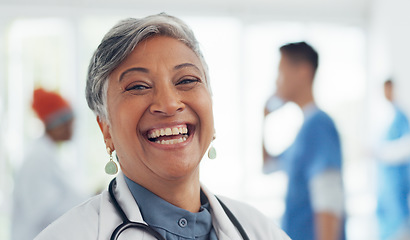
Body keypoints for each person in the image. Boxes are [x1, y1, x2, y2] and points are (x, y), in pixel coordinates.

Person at [35, 13, 290, 240]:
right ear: (106, 129)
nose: (169, 104)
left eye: (187, 80)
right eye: (138, 86)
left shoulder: (261, 231)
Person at [262, 42, 345, 240]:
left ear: (303, 71)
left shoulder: (319, 126)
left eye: (281, 72)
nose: (277, 81)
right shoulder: (304, 132)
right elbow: (267, 166)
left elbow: (328, 202)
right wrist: (263, 118)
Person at [11, 88, 85, 240]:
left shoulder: (48, 156)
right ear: (56, 125)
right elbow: (43, 212)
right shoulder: (37, 160)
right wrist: (88, 203)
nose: (73, 128)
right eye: (69, 123)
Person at [375, 79, 410, 240]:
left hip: (398, 181)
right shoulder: (384, 117)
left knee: (401, 225)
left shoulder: (401, 117)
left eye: (389, 89)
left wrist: (381, 153)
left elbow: (407, 147)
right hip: (386, 182)